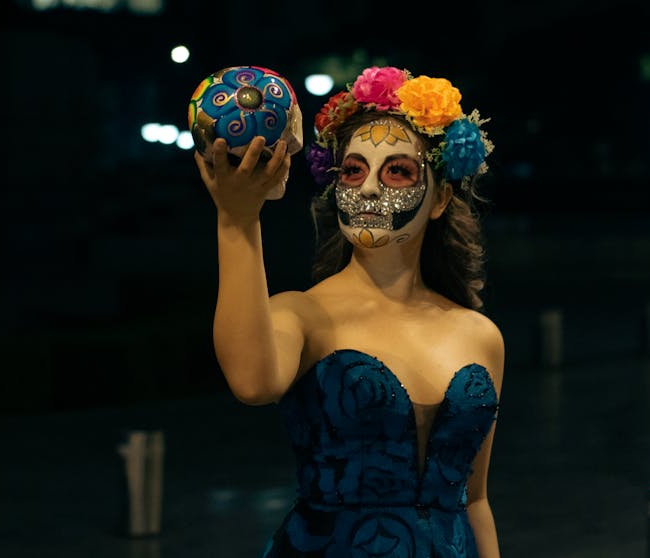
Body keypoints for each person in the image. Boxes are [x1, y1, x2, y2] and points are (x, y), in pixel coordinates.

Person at [195, 66, 503, 557]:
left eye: (397, 170)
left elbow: (476, 499)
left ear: (442, 197)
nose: (369, 189)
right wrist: (238, 220)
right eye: (353, 170)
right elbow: (252, 384)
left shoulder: (479, 334)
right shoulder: (304, 315)